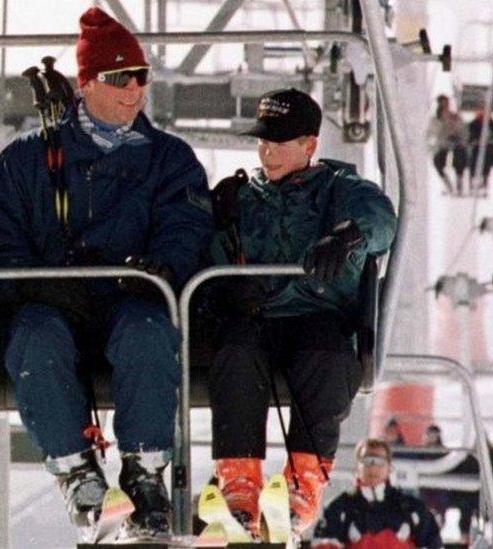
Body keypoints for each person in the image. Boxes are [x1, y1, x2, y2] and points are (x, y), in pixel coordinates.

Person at [0, 7, 214, 540]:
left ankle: (144, 473)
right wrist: (35, 282)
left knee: (149, 335)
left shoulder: (170, 160)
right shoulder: (26, 161)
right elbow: (0, 236)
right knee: (35, 342)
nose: (134, 90)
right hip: (53, 305)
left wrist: (162, 268)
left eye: (141, 77)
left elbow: (186, 225)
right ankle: (78, 476)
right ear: (86, 84)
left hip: (129, 299)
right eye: (118, 78)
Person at [206, 88, 398, 538]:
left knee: (327, 358)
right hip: (255, 318)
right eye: (262, 142)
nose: (267, 152)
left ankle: (304, 481)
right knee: (235, 352)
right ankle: (239, 483)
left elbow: (381, 218)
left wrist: (349, 235)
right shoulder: (238, 198)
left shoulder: (339, 191)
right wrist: (226, 288)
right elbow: (204, 240)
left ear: (309, 145)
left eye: (279, 142)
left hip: (317, 314)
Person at [311, 438, 443, 549]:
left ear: (389, 467)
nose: (373, 467)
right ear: (357, 466)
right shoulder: (339, 508)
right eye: (367, 461)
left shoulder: (412, 508)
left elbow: (433, 544)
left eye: (379, 461)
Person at [426, 94, 467, 194]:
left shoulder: (454, 116)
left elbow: (462, 129)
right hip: (442, 144)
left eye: (446, 102)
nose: (445, 105)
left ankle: (459, 186)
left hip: (456, 144)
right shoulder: (436, 118)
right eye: (443, 103)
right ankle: (449, 186)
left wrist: (456, 128)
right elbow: (432, 132)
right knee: (438, 164)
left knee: (459, 163)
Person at [467, 107, 493, 190]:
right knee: (474, 163)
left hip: (487, 147)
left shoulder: (490, 123)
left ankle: (485, 181)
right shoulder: (473, 124)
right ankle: (472, 181)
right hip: (476, 147)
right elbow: (469, 136)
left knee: (487, 163)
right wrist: (474, 141)